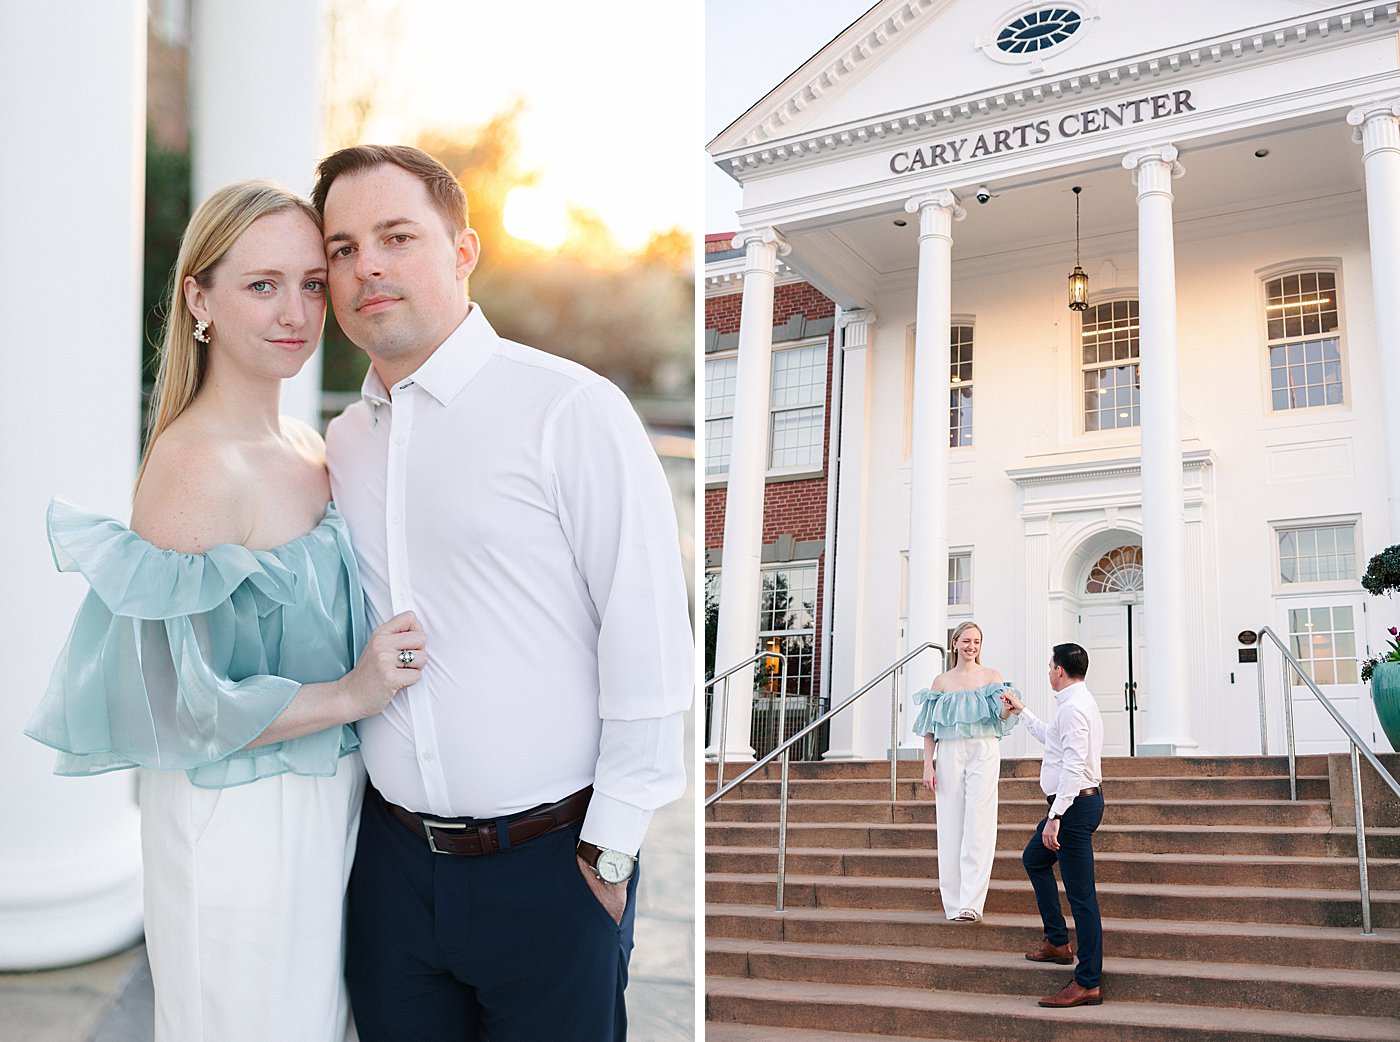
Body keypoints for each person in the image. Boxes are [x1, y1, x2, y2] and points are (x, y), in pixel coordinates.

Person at [26, 180, 427, 1042]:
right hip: (238, 824)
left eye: (312, 283)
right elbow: (173, 700)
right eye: (261, 285)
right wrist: (354, 694)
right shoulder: (198, 467)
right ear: (198, 298)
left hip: (327, 808)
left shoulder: (309, 447)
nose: (295, 312)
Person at [312, 144, 692, 1041]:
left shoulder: (570, 409)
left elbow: (648, 635)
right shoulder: (343, 442)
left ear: (464, 250)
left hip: (553, 871)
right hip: (392, 873)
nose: (366, 264)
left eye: (396, 236)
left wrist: (611, 852)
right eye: (341, 247)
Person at [1000, 642, 1106, 1008]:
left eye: (1049, 667)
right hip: (1071, 804)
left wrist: (1056, 817)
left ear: (1060, 670)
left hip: (1075, 808)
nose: (1048, 671)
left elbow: (1075, 769)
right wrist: (1023, 711)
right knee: (1034, 860)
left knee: (1082, 896)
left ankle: (1088, 980)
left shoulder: (1075, 709)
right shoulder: (1071, 706)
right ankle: (1058, 941)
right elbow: (1054, 741)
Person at [911, 620, 1018, 922]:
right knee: (950, 822)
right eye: (967, 641)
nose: (972, 647)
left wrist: (1009, 708)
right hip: (949, 752)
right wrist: (927, 764)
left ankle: (972, 902)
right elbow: (929, 728)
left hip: (984, 749)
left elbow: (1000, 713)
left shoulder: (991, 676)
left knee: (979, 822)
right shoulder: (941, 682)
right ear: (955, 643)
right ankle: (954, 902)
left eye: (977, 642)